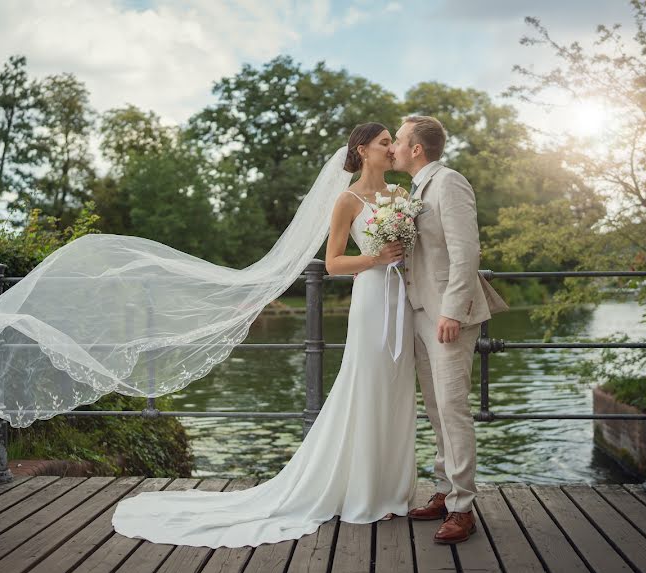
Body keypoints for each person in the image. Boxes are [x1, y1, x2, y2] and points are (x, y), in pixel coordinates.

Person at [110, 123, 420, 547]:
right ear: (362, 150)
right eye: (385, 142)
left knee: (399, 388)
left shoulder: (403, 197)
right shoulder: (346, 200)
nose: (391, 149)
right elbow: (331, 263)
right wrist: (374, 257)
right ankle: (363, 493)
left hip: (399, 298)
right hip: (370, 299)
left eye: (392, 143)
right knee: (366, 386)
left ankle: (393, 493)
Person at [390, 115, 509, 544]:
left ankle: (462, 508)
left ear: (416, 148)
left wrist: (453, 311)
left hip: (446, 315)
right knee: (437, 409)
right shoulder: (414, 190)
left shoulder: (449, 182)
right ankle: (444, 490)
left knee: (453, 408)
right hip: (420, 311)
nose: (394, 147)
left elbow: (466, 252)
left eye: (399, 140)